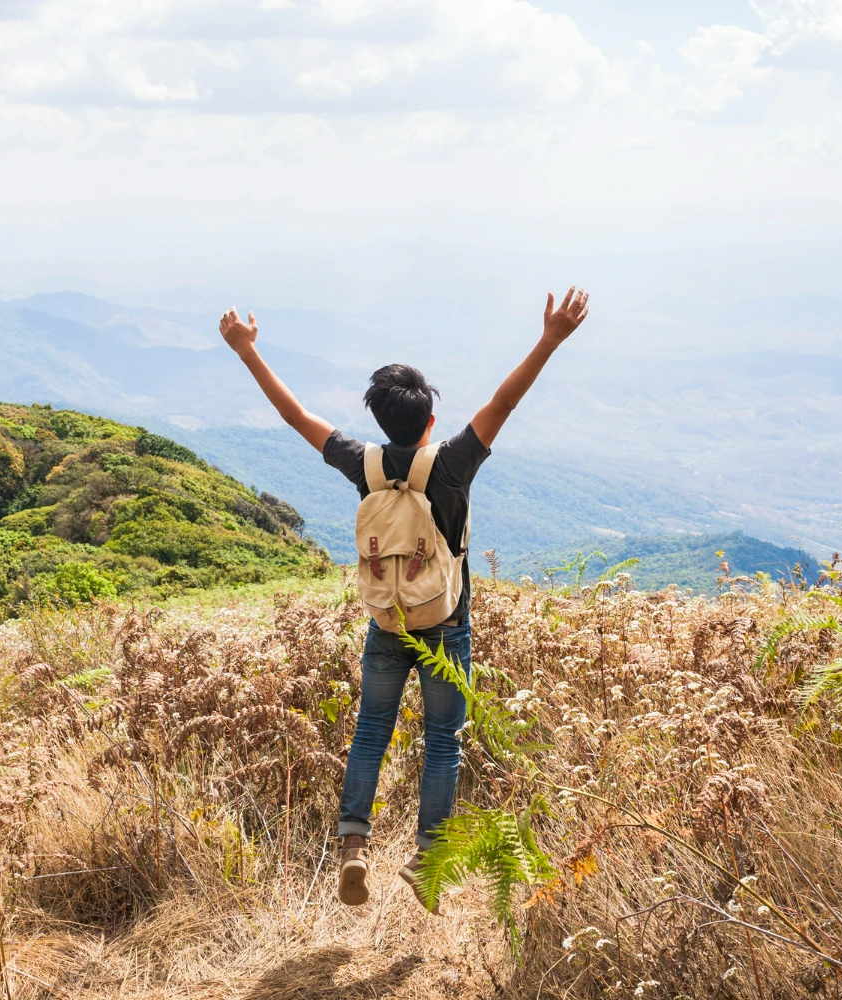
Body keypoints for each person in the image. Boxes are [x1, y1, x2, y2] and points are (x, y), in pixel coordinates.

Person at [217, 287, 590, 911]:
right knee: (444, 739)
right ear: (430, 422)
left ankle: (354, 846)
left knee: (371, 731)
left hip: (387, 622)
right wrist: (550, 339)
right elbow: (504, 401)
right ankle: (426, 858)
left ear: (379, 419)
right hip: (446, 620)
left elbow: (295, 416)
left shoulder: (359, 463)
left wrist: (247, 352)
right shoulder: (450, 464)